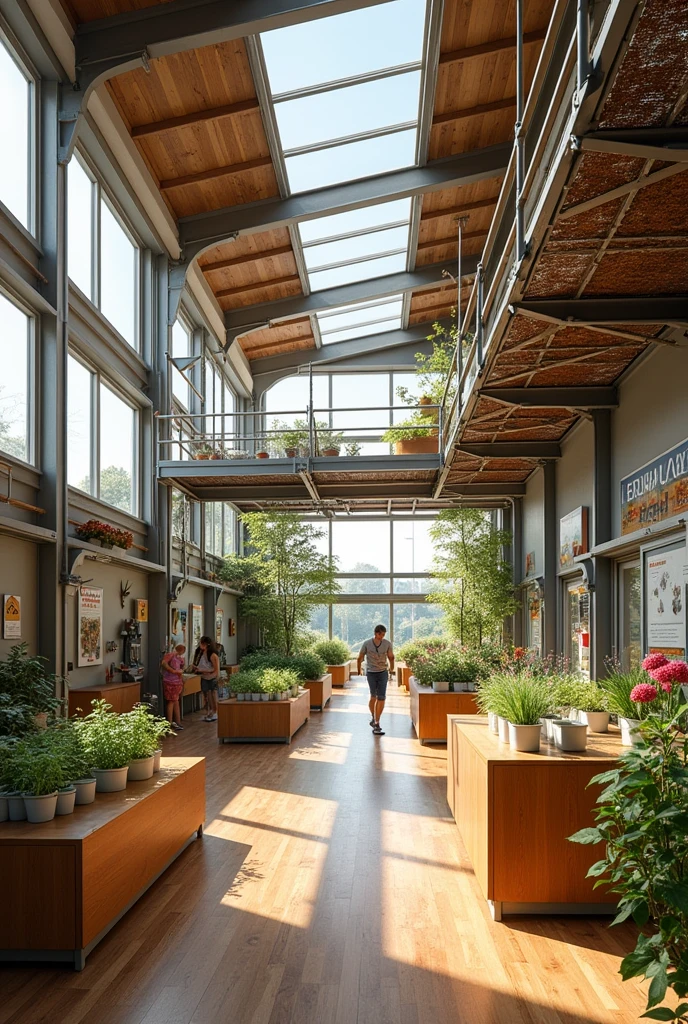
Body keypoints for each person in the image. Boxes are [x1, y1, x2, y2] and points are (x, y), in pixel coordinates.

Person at [357, 624, 394, 736]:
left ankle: (377, 723)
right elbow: (360, 657)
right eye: (380, 634)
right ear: (375, 633)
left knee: (381, 697)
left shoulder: (387, 644)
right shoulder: (367, 643)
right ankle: (373, 716)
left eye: (383, 634)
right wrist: (359, 670)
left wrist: (391, 669)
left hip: (383, 672)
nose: (381, 636)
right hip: (371, 673)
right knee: (373, 697)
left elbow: (391, 657)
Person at [193, 635, 221, 722]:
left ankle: (215, 711)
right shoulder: (201, 653)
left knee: (213, 695)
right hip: (204, 677)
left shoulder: (212, 655)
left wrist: (203, 670)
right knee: (206, 695)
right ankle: (209, 712)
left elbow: (215, 669)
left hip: (212, 678)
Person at [161, 644, 186, 732]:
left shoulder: (179, 658)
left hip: (177, 681)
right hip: (170, 681)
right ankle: (170, 722)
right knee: (172, 701)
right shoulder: (171, 655)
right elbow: (164, 663)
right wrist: (173, 671)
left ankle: (177, 722)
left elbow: (182, 667)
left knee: (175, 701)